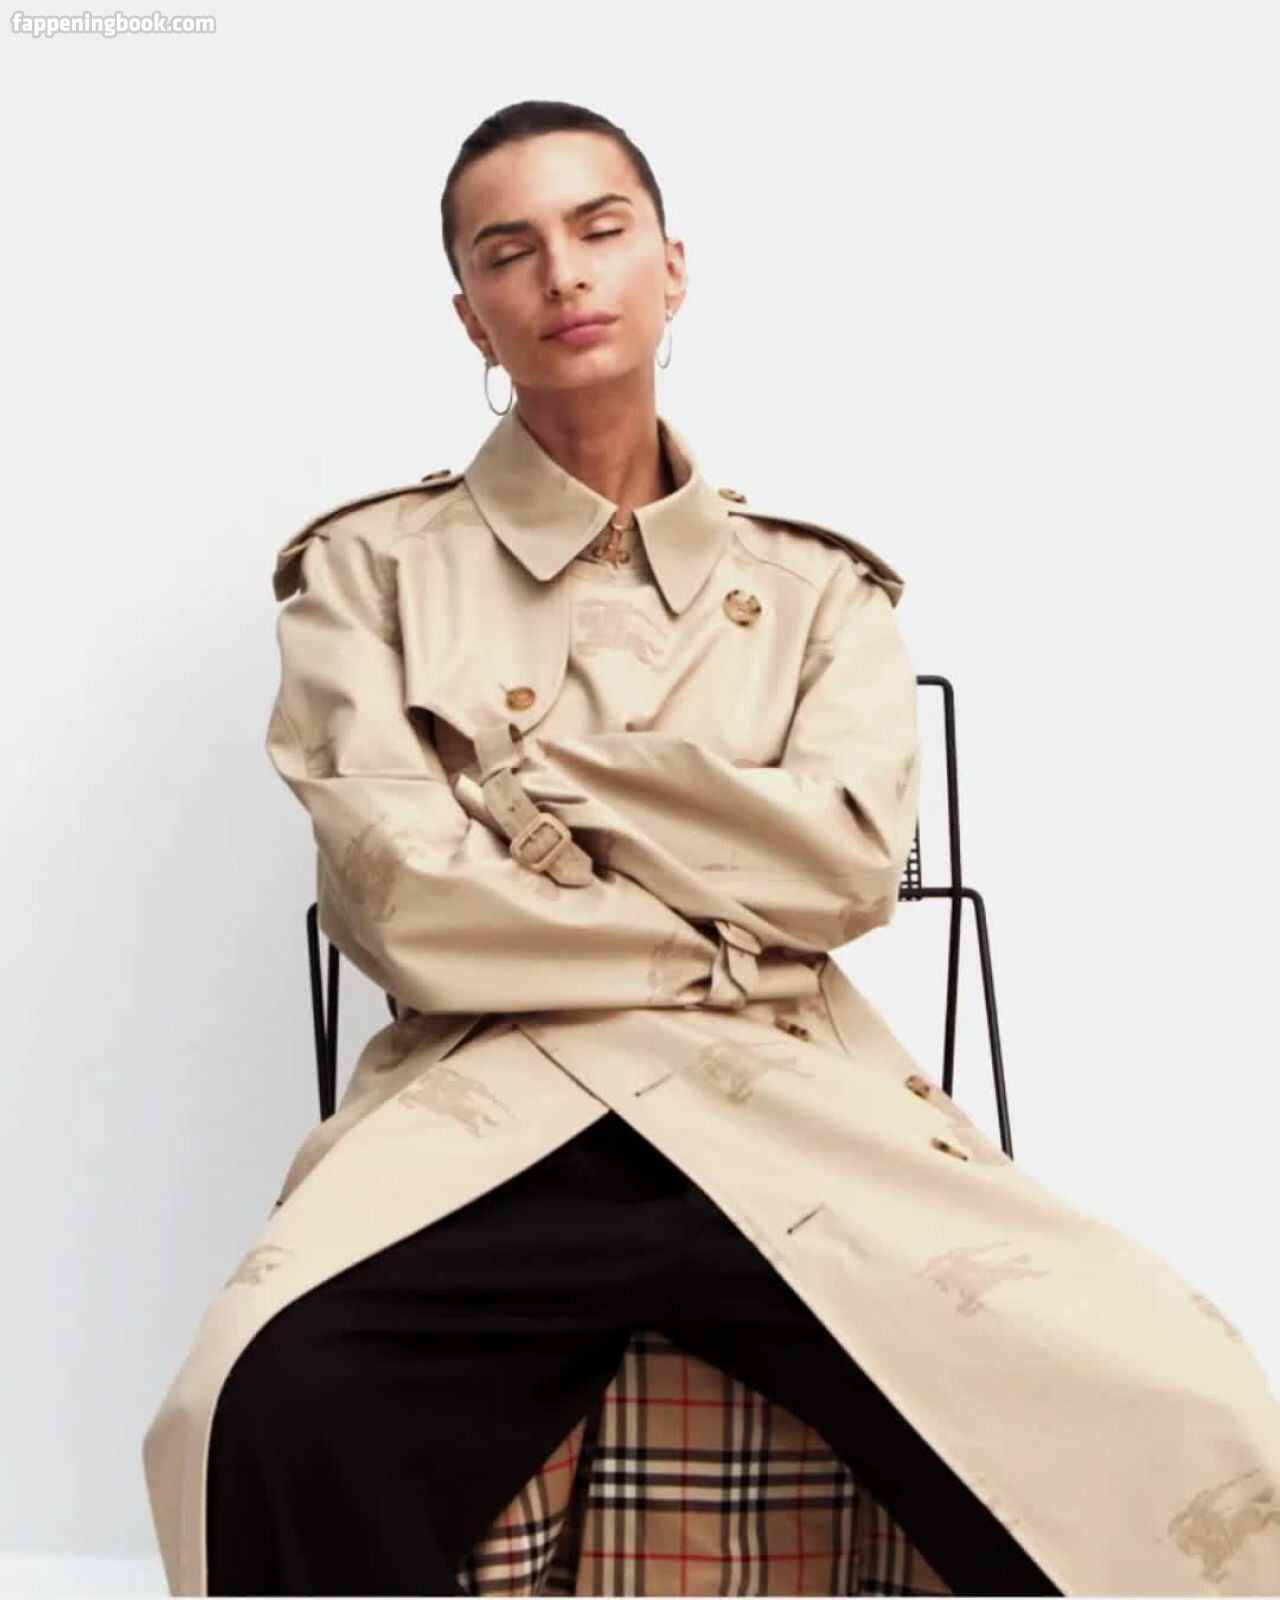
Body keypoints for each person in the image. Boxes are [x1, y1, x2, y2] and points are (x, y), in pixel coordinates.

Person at [142, 100, 1280, 1599]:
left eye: (600, 228)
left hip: (788, 1098)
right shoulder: (368, 571)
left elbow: (846, 869)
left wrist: (543, 786)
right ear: (470, 312)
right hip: (494, 1109)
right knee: (255, 1409)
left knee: (1184, 1411)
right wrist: (725, 926)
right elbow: (407, 904)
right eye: (509, 250)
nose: (563, 272)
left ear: (672, 266)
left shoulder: (820, 591)